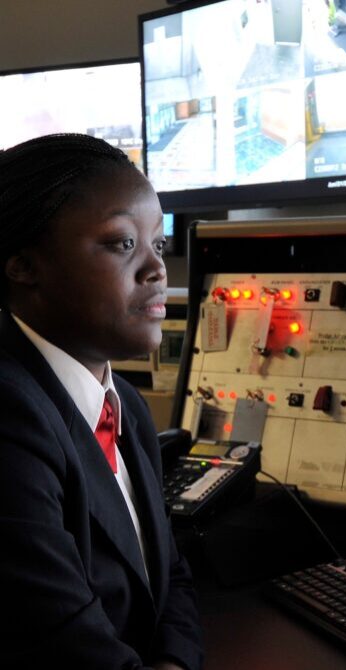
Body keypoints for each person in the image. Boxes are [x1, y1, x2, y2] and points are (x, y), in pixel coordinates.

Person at [0, 134, 203, 669]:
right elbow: (59, 639)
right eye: (121, 243)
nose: (156, 270)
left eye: (158, 244)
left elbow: (171, 574)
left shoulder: (127, 408)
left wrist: (175, 662)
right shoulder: (9, 418)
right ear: (23, 265)